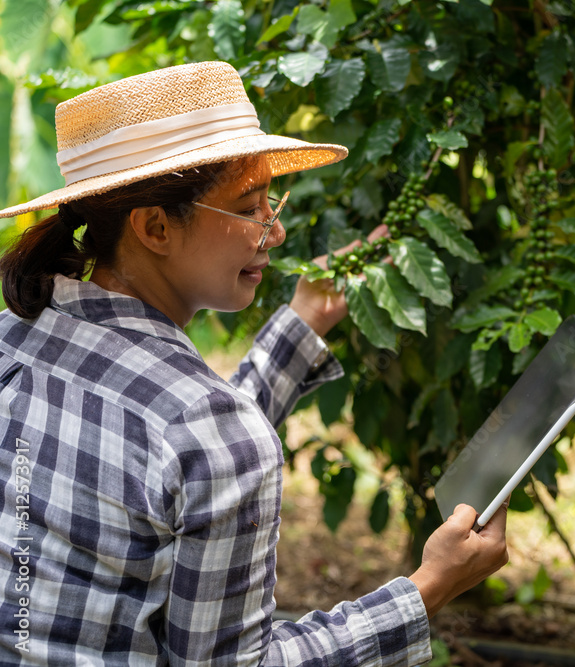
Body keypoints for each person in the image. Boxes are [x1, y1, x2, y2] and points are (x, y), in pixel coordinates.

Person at [0, 61, 508, 665]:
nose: (276, 231)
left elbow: (170, 448)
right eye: (248, 209)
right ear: (156, 227)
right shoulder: (206, 431)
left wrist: (304, 324)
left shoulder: (17, 336)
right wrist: (429, 590)